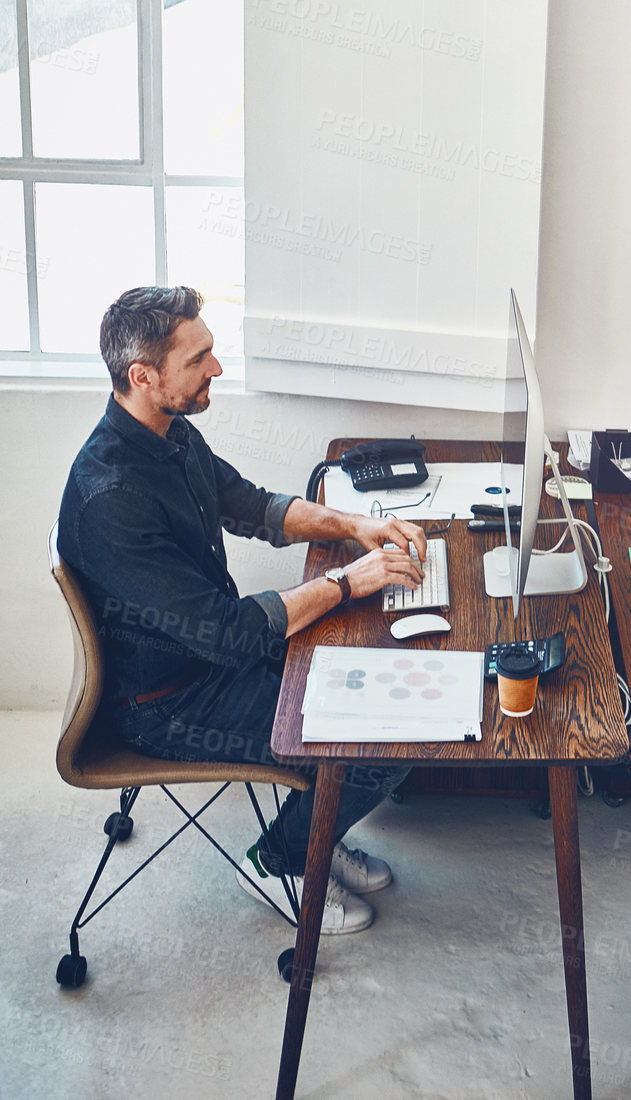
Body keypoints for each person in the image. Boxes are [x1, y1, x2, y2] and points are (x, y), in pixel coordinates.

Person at [57, 285, 430, 935]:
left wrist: (354, 525)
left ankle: (318, 820)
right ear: (143, 376)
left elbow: (253, 505)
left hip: (212, 656)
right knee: (384, 739)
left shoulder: (168, 434)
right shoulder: (112, 496)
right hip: (169, 705)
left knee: (380, 667)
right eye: (199, 358)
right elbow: (229, 635)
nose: (218, 369)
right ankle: (278, 859)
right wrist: (346, 582)